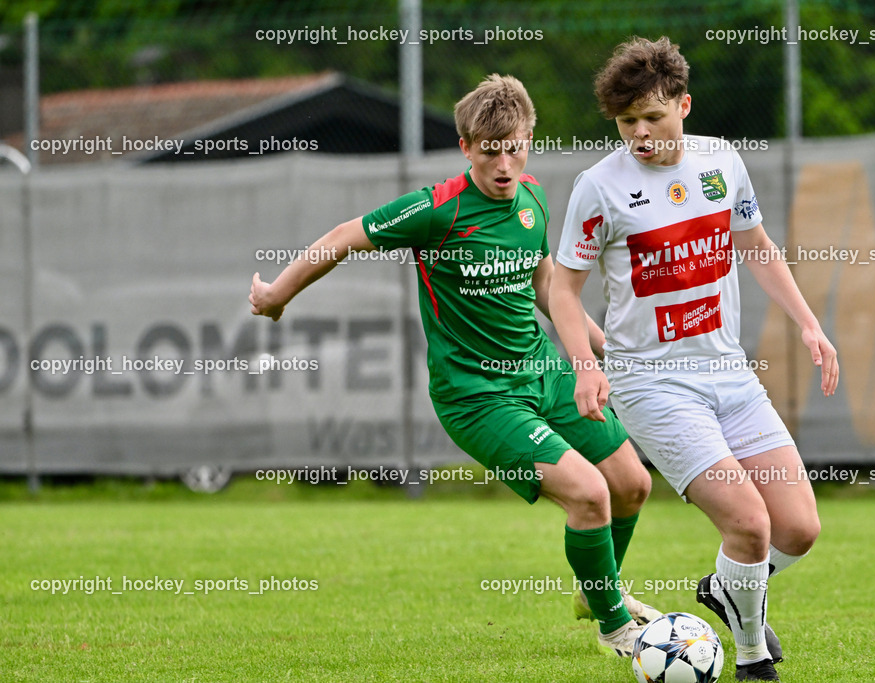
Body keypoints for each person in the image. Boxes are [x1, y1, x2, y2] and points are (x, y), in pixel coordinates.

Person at [249, 74, 658, 657]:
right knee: (589, 494)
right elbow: (343, 237)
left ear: (529, 140)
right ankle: (616, 626)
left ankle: (597, 593)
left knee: (632, 484)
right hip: (478, 397)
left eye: (514, 147)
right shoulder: (435, 212)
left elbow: (545, 285)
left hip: (543, 371)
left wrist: (594, 350)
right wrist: (278, 295)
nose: (503, 163)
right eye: (488, 150)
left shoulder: (535, 199)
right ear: (466, 148)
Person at [549, 38, 838, 681]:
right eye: (627, 124)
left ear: (684, 104)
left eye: (652, 117)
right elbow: (562, 290)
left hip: (730, 374)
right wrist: (584, 364)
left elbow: (757, 246)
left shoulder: (722, 162)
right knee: (748, 522)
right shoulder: (599, 188)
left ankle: (725, 591)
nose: (640, 134)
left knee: (797, 529)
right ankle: (752, 659)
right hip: (651, 383)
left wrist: (810, 325)